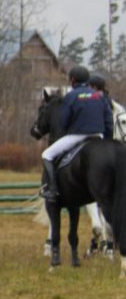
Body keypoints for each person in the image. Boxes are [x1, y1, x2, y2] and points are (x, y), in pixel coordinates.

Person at [40, 66, 113, 202]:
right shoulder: (99, 96)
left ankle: (52, 189)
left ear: (73, 79)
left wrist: (68, 131)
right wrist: (108, 140)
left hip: (77, 135)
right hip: (98, 136)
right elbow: (108, 120)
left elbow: (64, 120)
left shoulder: (71, 96)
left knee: (47, 155)